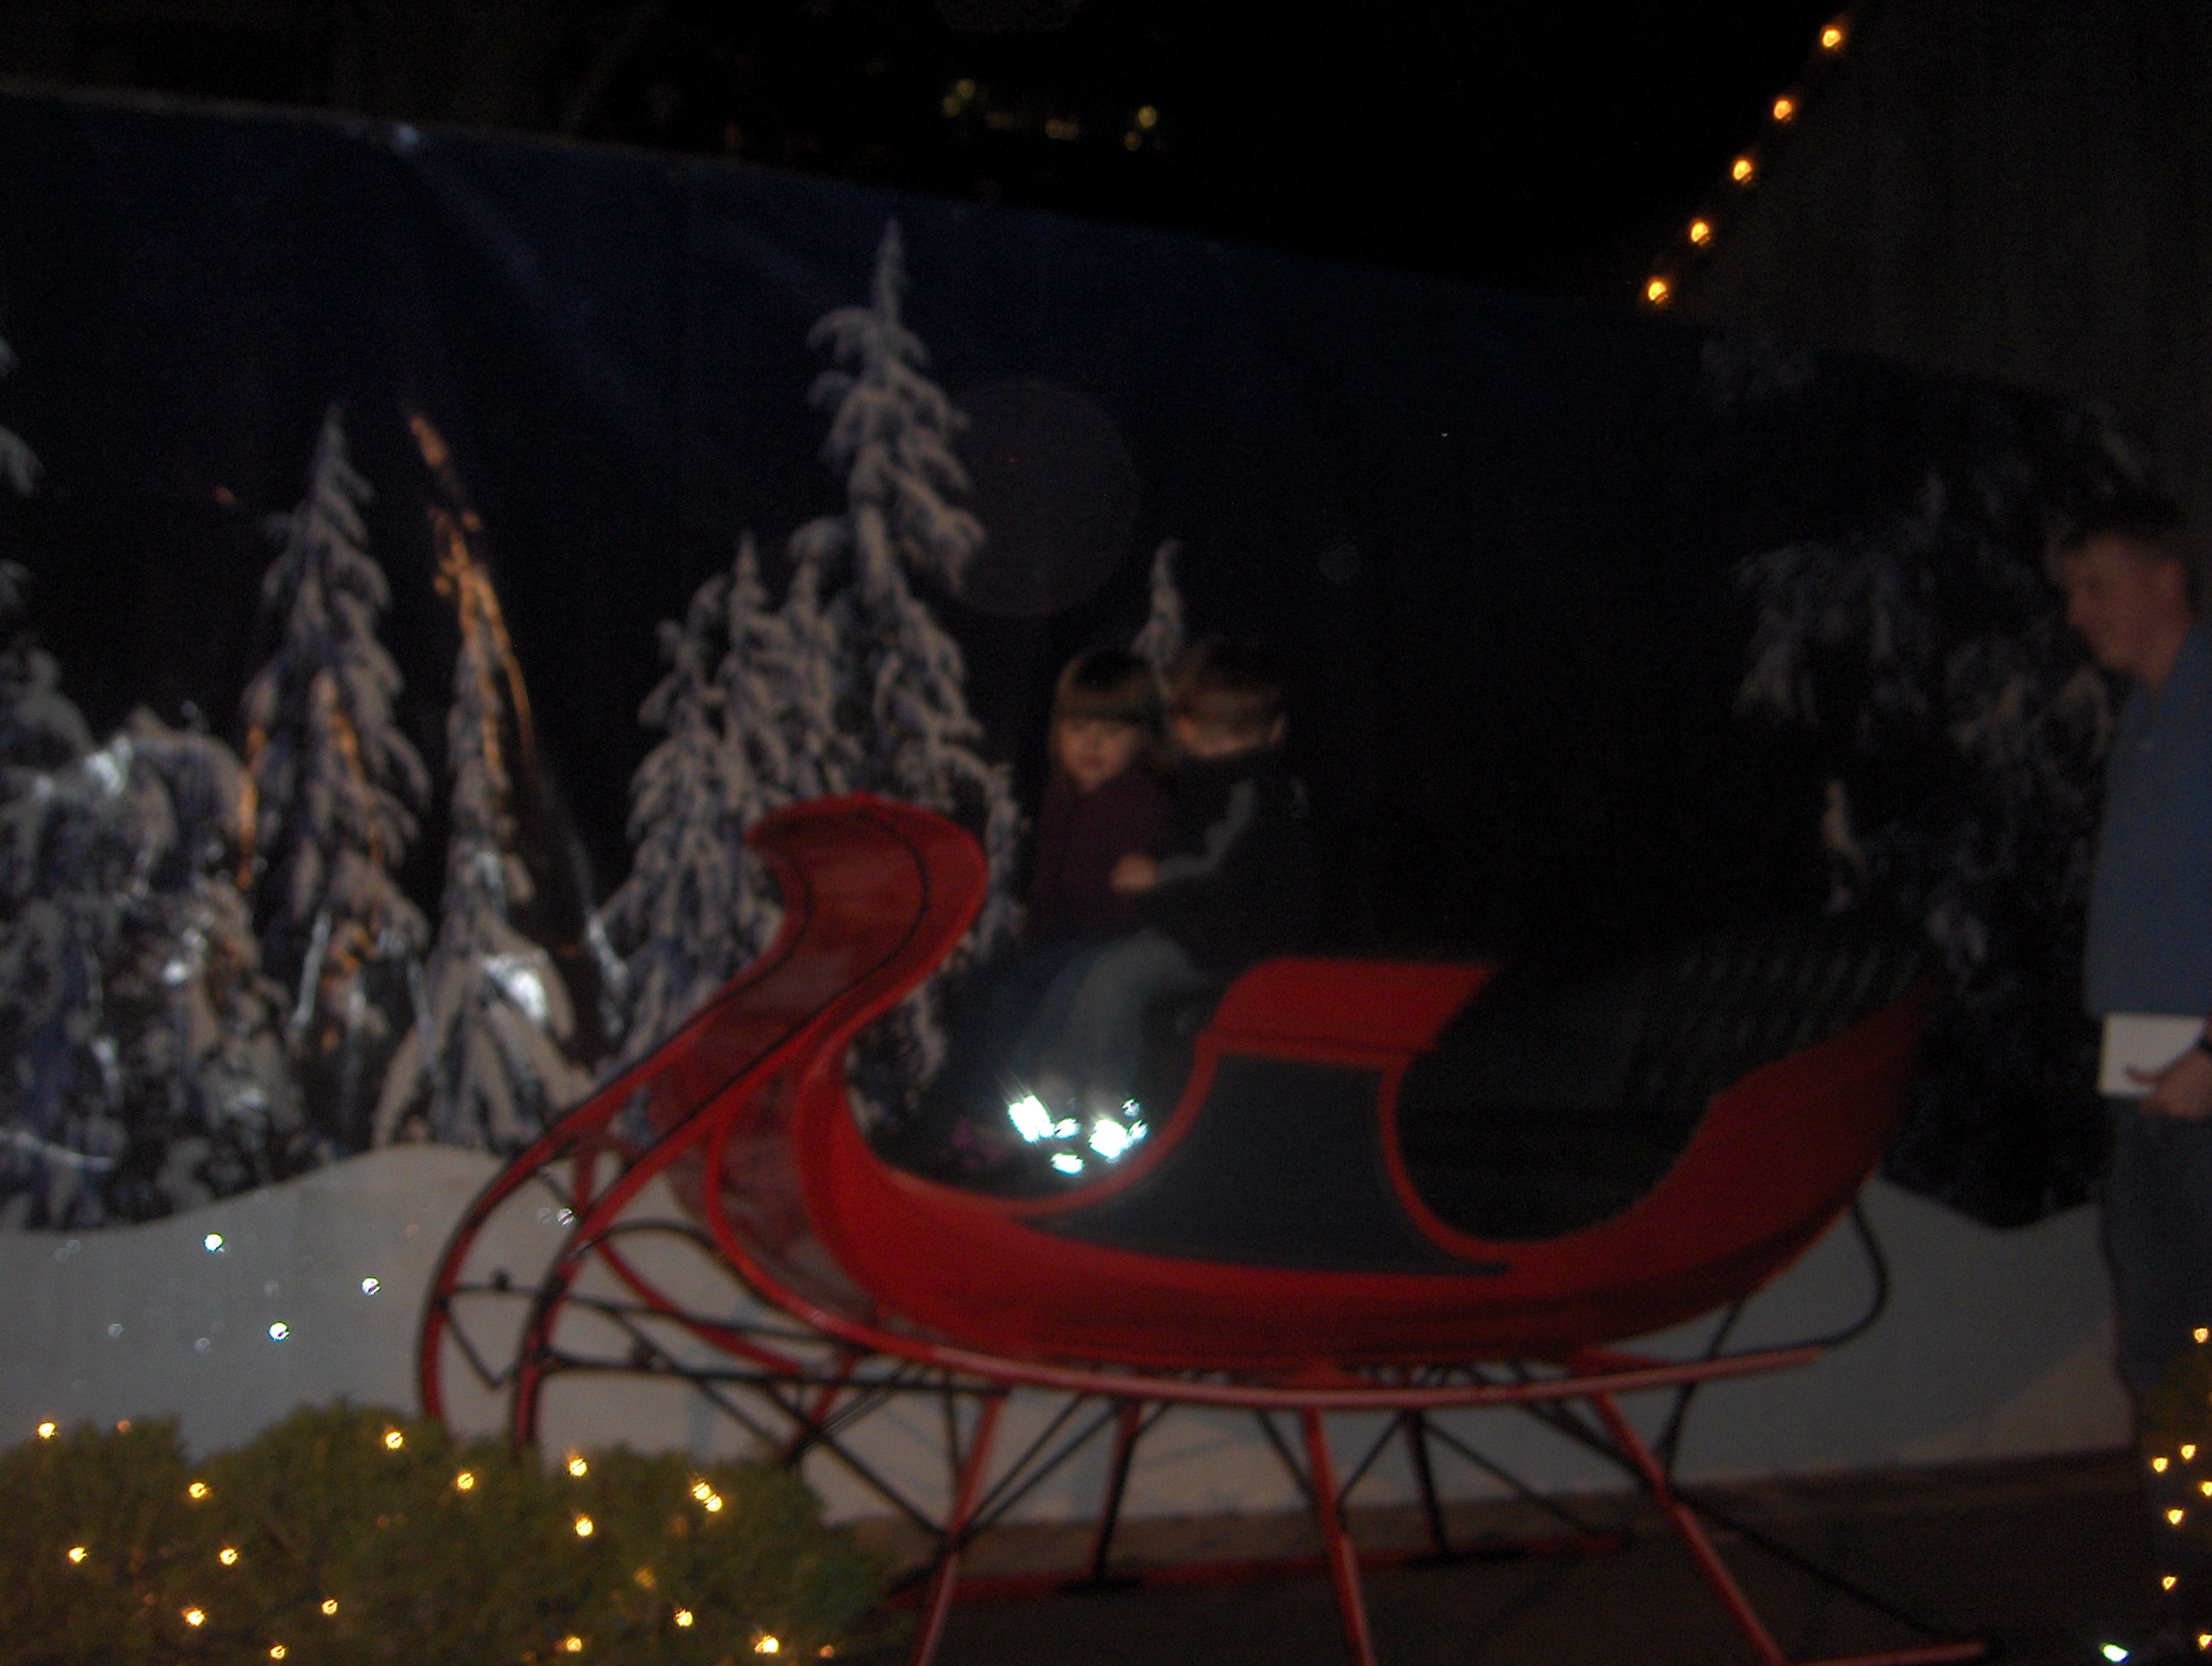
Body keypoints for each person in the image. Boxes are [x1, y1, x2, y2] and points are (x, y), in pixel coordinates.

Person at [2057, 492, 2212, 1659]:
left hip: (2203, 1087)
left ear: (2167, 579)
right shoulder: (2146, 722)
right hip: (2149, 1094)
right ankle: (2191, 1608)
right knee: (2164, 1358)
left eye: (2097, 585)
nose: (2079, 612)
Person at [1027, 635, 1319, 1130]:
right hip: (1203, 931)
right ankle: (1060, 1080)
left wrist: (1156, 873)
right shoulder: (1210, 777)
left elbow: (1220, 862)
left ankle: (1106, 1097)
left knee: (1117, 974)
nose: (1215, 751)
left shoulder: (1252, 785)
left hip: (1237, 944)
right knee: (1094, 968)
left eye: (1226, 740)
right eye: (1205, 737)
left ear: (1273, 733)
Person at [912, 650, 1170, 1170]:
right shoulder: (1060, 797)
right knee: (989, 985)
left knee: (1039, 997)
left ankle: (996, 1123)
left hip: (1108, 941)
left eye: (1111, 732)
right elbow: (1050, 885)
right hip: (1060, 938)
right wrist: (1032, 937)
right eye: (1079, 728)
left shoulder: (1142, 802)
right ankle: (951, 1111)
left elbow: (1133, 902)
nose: (1091, 745)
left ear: (1141, 738)